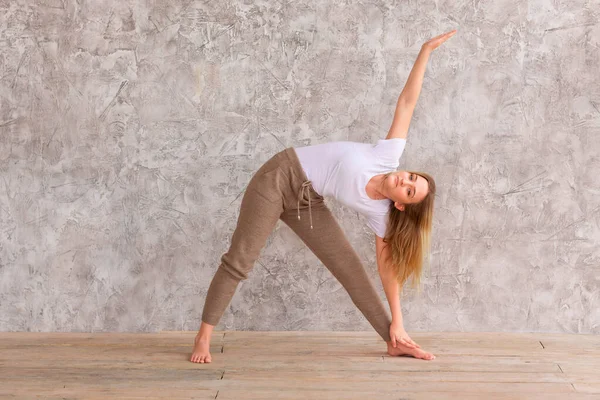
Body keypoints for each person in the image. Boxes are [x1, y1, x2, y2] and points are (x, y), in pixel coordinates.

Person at [191, 30, 457, 363]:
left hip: (306, 201)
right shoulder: (386, 155)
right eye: (412, 176)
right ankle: (203, 336)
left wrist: (398, 324)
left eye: (409, 189)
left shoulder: (381, 213)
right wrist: (425, 51)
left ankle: (393, 342)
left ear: (401, 204)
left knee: (350, 269)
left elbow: (386, 270)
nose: (405, 178)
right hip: (278, 177)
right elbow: (407, 103)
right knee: (240, 260)